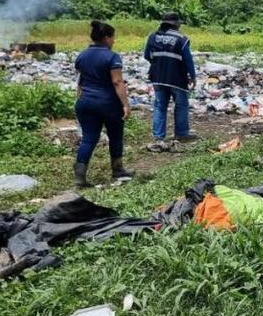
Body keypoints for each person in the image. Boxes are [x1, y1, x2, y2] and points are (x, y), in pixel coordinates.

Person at [74, 21, 133, 187]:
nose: (114, 41)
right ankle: (118, 170)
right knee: (115, 136)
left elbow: (81, 81)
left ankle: (79, 176)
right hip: (107, 103)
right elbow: (117, 81)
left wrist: (80, 98)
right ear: (106, 37)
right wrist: (125, 104)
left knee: (88, 139)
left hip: (85, 102)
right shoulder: (112, 57)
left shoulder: (82, 56)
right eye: (113, 37)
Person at [144, 12, 198, 146]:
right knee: (181, 105)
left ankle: (158, 137)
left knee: (160, 106)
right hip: (177, 78)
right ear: (175, 24)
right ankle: (181, 133)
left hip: (158, 77)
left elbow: (147, 55)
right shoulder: (181, 38)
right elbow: (188, 60)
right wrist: (192, 76)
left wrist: (158, 63)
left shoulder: (153, 36)